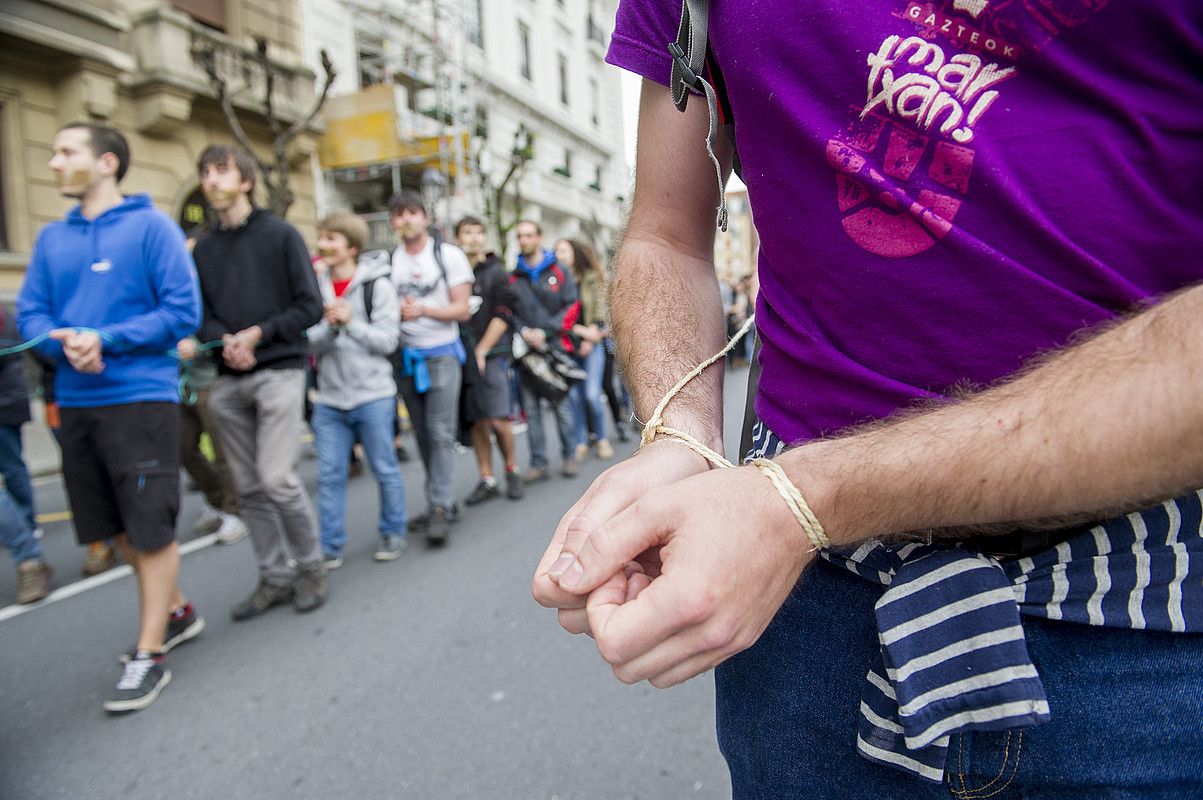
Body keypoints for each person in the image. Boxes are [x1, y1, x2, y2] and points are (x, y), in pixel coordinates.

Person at [533, 3, 1203, 798]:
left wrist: (802, 499)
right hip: (803, 618)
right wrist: (679, 436)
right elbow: (665, 236)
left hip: (1143, 630)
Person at [18, 122, 203, 712]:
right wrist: (60, 342)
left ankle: (150, 654)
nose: (53, 163)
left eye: (65, 152)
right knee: (115, 527)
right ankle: (176, 611)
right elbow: (30, 314)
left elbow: (183, 310)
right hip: (75, 404)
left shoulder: (152, 228)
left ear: (105, 163)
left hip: (140, 399)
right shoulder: (51, 240)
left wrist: (109, 339)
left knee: (150, 525)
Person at [190, 143, 327, 620]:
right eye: (205, 172)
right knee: (248, 488)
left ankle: (311, 566)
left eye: (221, 169)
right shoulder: (202, 248)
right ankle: (274, 575)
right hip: (228, 380)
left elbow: (310, 306)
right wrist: (222, 340)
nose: (212, 179)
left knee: (276, 479)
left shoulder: (281, 235)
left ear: (246, 179)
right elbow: (198, 316)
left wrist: (258, 334)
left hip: (280, 371)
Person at [307, 211, 407, 566]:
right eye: (321, 237)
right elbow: (305, 343)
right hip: (330, 399)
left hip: (373, 395)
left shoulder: (375, 286)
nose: (323, 244)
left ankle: (393, 530)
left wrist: (350, 324)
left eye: (331, 238)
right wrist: (330, 329)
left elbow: (388, 341)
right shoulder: (312, 284)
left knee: (384, 468)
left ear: (350, 246)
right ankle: (330, 547)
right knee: (329, 476)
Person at [388, 191, 473, 545]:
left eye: (412, 213)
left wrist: (423, 310)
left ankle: (438, 506)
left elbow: (463, 309)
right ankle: (440, 501)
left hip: (442, 355)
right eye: (399, 214)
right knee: (422, 434)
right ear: (393, 222)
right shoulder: (389, 261)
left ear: (425, 218)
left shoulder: (448, 256)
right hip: (406, 358)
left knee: (440, 433)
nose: (406, 219)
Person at [457, 216, 524, 505]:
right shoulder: (455, 271)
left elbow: (503, 315)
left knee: (498, 418)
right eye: (467, 233)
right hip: (462, 355)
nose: (472, 238)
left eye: (478, 232)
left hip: (493, 354)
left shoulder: (496, 272)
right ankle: (487, 478)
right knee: (476, 422)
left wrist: (482, 351)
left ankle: (511, 469)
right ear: (458, 237)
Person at [511, 221, 583, 482]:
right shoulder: (513, 276)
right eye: (520, 236)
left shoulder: (560, 271)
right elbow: (510, 313)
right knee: (531, 411)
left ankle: (570, 455)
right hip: (526, 355)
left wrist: (548, 331)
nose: (524, 239)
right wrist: (523, 331)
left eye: (529, 234)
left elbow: (572, 306)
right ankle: (538, 462)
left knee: (562, 406)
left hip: (554, 350)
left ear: (539, 237)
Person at [555, 238, 615, 461]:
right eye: (556, 251)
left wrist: (592, 336)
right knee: (574, 396)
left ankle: (602, 438)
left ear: (575, 253)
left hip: (594, 344)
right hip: (568, 345)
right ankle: (580, 441)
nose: (558, 254)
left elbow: (601, 311)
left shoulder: (592, 278)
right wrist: (581, 332)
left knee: (591, 395)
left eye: (563, 250)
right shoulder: (556, 281)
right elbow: (558, 317)